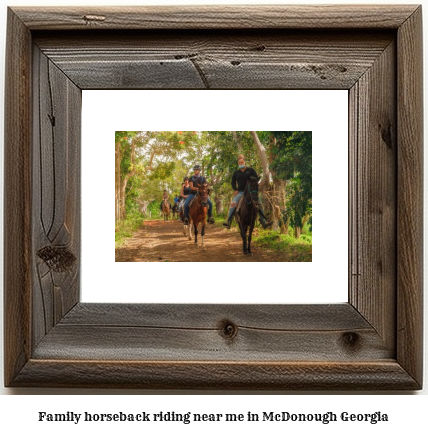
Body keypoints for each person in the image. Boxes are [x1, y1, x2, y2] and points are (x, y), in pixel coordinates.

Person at [223, 156, 272, 229]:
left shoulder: (251, 170)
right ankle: (229, 221)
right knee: (233, 204)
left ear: (245, 162)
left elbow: (256, 179)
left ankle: (263, 222)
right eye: (239, 163)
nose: (241, 163)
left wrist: (254, 185)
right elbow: (233, 182)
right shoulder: (236, 173)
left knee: (260, 204)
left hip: (251, 192)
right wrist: (235, 189)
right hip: (240, 192)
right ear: (238, 164)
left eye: (242, 162)